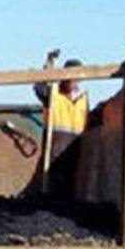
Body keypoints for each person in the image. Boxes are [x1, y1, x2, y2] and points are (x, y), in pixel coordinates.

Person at [34, 57, 90, 196]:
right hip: (54, 156)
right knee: (53, 192)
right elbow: (39, 87)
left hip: (75, 155)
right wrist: (48, 67)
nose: (73, 80)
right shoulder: (53, 95)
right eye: (69, 76)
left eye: (76, 77)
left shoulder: (83, 99)